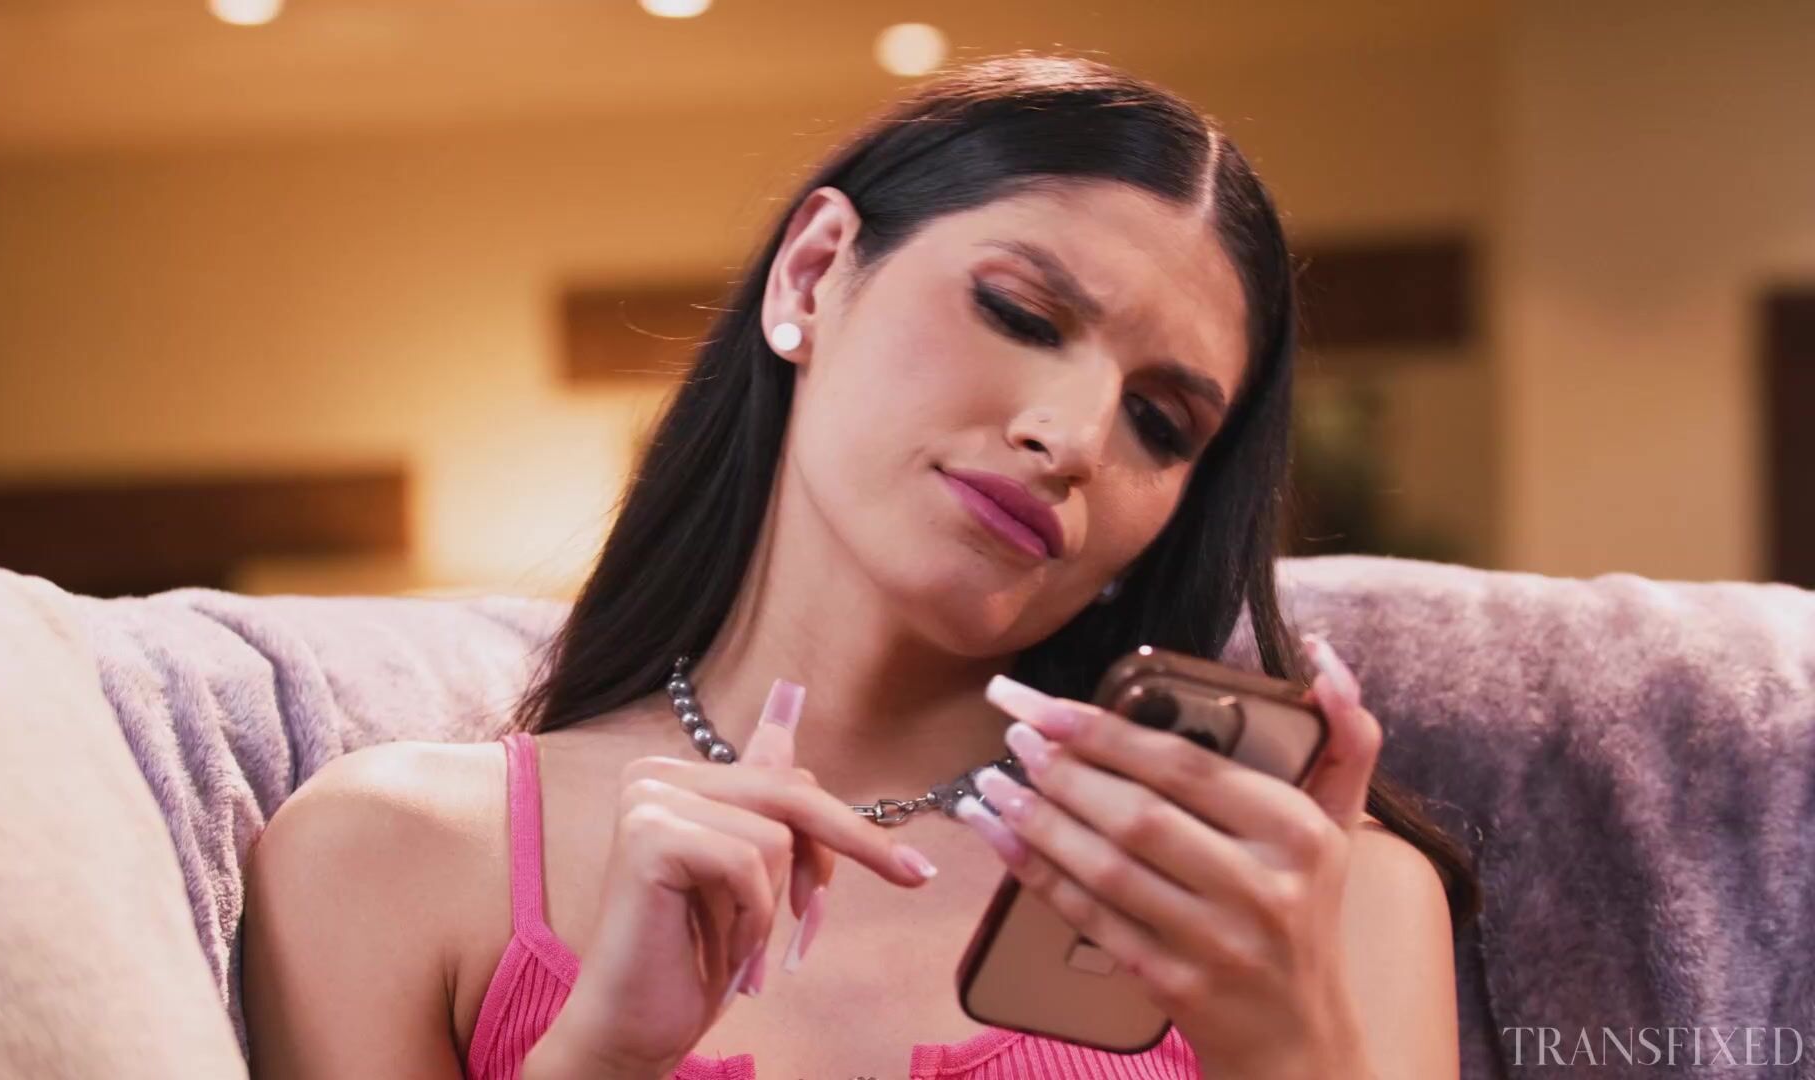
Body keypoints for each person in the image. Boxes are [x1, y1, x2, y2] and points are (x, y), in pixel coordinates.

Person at [240, 53, 1481, 1080]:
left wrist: (1286, 1049)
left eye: (1160, 424)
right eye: (1020, 314)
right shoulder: (387, 857)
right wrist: (602, 1058)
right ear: (813, 273)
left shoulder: (1327, 908)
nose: (1073, 439)